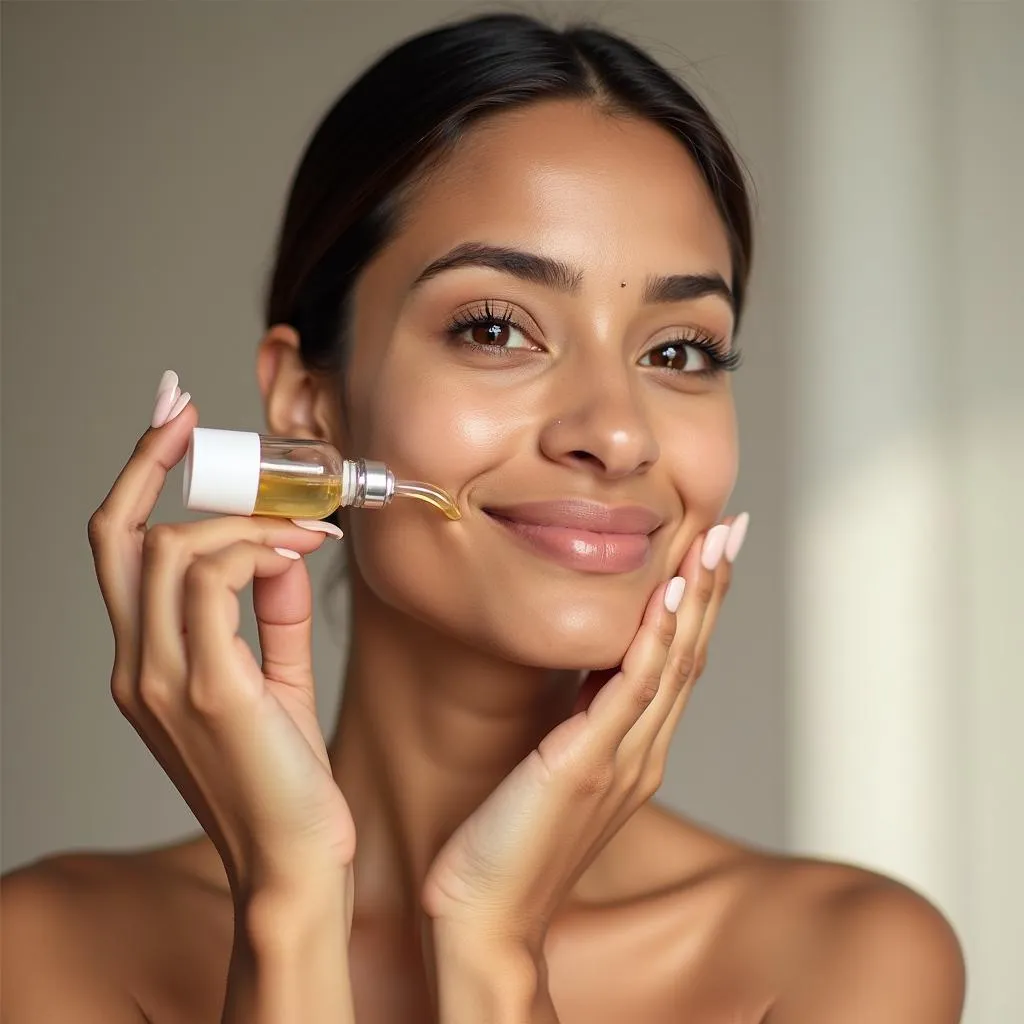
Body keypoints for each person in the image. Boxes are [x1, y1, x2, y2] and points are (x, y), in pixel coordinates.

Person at [0, 12, 965, 1023]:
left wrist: (491, 943)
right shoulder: (53, 949)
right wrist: (288, 914)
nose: (617, 433)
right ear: (304, 401)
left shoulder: (840, 960)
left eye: (677, 350)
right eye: (496, 328)